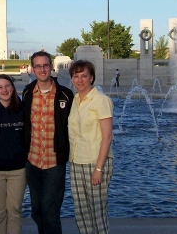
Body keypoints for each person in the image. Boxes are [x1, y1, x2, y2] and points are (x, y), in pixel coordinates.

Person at [22, 51, 74, 234]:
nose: (42, 69)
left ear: (51, 67)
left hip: (54, 162)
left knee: (50, 210)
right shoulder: (27, 92)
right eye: (38, 66)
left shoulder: (65, 95)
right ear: (32, 69)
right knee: (37, 209)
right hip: (33, 160)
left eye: (45, 65)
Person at [68, 60, 113, 234]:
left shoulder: (101, 100)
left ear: (91, 77)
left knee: (97, 212)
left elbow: (107, 137)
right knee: (82, 212)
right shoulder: (74, 100)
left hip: (96, 161)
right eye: (76, 76)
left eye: (84, 76)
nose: (80, 80)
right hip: (76, 161)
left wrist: (99, 169)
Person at [0, 74, 26, 234]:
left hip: (19, 170)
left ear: (13, 87)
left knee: (14, 209)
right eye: (0, 87)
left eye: (7, 86)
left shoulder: (23, 109)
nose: (4, 90)